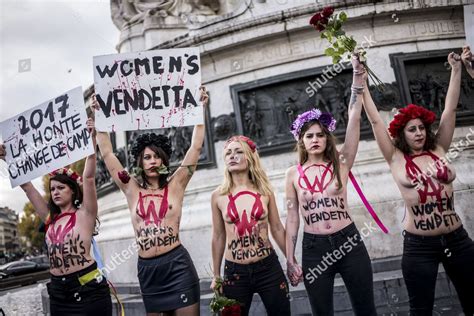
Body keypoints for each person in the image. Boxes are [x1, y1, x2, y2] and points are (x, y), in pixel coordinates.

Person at [362, 51, 474, 315]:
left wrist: (456, 69)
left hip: (456, 239)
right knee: (420, 308)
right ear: (402, 133)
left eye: (422, 127)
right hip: (419, 245)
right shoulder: (395, 157)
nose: (419, 133)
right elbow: (375, 119)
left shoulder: (439, 148)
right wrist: (361, 80)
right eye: (412, 129)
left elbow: (450, 108)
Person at [93, 87, 208, 316]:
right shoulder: (130, 188)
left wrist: (200, 109)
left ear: (163, 159)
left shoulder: (177, 184)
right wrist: (99, 116)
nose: (153, 161)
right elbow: (107, 155)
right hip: (148, 272)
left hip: (178, 266)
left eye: (156, 156)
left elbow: (195, 147)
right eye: (147, 157)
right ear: (140, 162)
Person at [285, 55, 377, 315]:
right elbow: (292, 216)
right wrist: (290, 258)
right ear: (301, 141)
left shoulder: (342, 162)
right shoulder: (292, 173)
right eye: (309, 136)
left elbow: (354, 117)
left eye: (320, 135)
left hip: (348, 241)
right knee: (321, 311)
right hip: (314, 248)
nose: (315, 139)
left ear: (327, 139)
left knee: (365, 308)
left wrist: (357, 78)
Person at [0, 118, 112, 316]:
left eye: (61, 187)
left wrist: (91, 139)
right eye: (52, 189)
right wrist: (7, 159)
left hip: (88, 289)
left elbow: (88, 177)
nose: (56, 192)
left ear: (73, 191)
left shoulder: (85, 214)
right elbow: (27, 187)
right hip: (59, 293)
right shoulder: (49, 218)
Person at [210, 135, 291, 316]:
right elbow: (218, 236)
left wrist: (291, 260)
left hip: (268, 268)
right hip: (235, 272)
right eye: (228, 153)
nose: (233, 156)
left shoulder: (264, 191)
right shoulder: (218, 196)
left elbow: (277, 227)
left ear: (250, 157)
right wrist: (216, 275)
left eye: (239, 152)